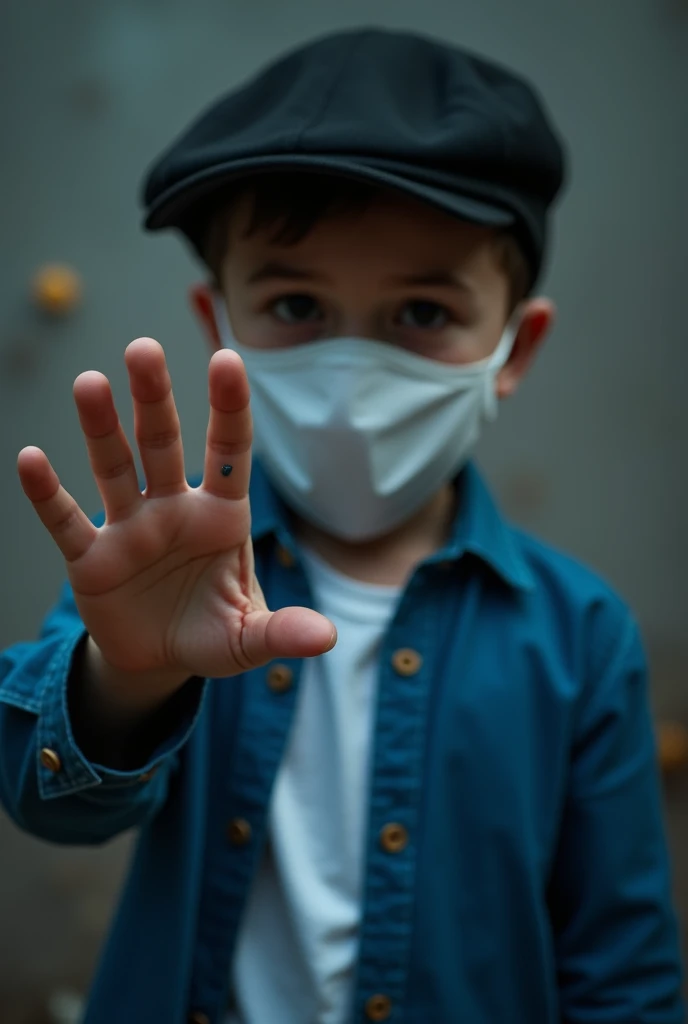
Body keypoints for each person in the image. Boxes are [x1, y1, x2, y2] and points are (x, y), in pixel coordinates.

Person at [0, 26, 683, 1024]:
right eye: (295, 303)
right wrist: (128, 680)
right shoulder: (159, 567)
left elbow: (621, 973)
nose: (353, 375)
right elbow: (50, 800)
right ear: (216, 322)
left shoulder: (582, 637)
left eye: (420, 313)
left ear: (514, 344)